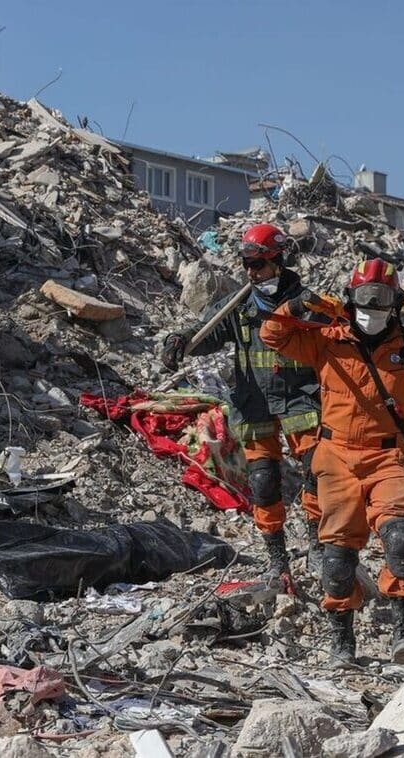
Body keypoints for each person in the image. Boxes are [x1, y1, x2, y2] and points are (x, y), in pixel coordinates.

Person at [260, 258, 404, 666]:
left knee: (401, 540)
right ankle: (342, 638)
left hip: (389, 457)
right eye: (364, 298)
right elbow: (272, 334)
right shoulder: (328, 340)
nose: (371, 308)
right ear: (350, 299)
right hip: (337, 457)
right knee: (337, 559)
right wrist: (300, 304)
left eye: (380, 299)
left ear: (395, 303)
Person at [160, 223, 323, 586]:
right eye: (246, 265)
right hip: (254, 401)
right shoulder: (239, 305)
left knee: (318, 473)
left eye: (259, 264)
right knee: (263, 482)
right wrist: (179, 339)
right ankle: (277, 561)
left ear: (278, 262)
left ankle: (317, 546)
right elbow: (206, 331)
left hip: (300, 398)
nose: (251, 272)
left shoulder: (305, 302)